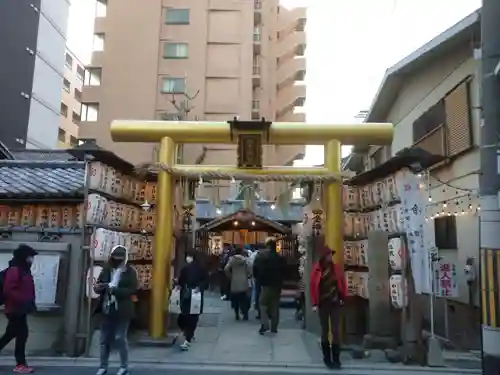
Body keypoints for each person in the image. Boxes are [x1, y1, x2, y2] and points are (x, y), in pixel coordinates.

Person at [94, 245, 138, 375]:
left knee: (120, 338)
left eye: (120, 259)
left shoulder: (130, 272)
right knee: (104, 339)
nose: (117, 261)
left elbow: (132, 289)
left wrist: (115, 290)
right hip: (107, 307)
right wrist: (99, 287)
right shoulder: (106, 270)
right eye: (115, 258)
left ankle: (124, 366)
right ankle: (103, 366)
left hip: (123, 309)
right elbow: (99, 283)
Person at [0, 244, 38, 373]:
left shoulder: (23, 269)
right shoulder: (15, 270)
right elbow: (9, 290)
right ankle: (20, 364)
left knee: (10, 334)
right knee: (22, 334)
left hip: (19, 308)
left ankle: (21, 363)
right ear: (24, 257)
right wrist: (24, 300)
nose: (31, 260)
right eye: (30, 257)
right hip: (15, 309)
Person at [310, 246, 347, 369]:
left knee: (336, 330)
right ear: (323, 256)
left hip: (335, 301)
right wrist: (314, 303)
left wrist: (343, 297)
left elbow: (342, 283)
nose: (330, 257)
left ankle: (336, 358)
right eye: (329, 255)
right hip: (323, 302)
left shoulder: (335, 268)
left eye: (331, 254)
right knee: (325, 330)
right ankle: (327, 358)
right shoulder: (316, 270)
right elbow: (313, 287)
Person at [176, 251, 208, 351]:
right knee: (192, 317)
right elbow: (206, 282)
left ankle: (188, 338)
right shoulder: (196, 268)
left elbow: (181, 281)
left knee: (187, 316)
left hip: (188, 295)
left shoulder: (189, 268)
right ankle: (189, 334)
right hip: (193, 294)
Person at [253, 237, 286, 335]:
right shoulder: (280, 258)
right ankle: (274, 327)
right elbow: (285, 271)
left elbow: (255, 269)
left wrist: (258, 279)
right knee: (275, 305)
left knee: (262, 304)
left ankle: (265, 324)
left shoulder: (261, 257)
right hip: (277, 285)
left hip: (265, 284)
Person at [224, 247, 251, 321]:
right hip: (243, 281)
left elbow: (226, 269)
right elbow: (249, 269)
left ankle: (237, 314)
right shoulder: (245, 260)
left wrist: (230, 276)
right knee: (244, 299)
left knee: (235, 299)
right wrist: (248, 275)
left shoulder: (232, 259)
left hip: (234, 281)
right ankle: (245, 314)